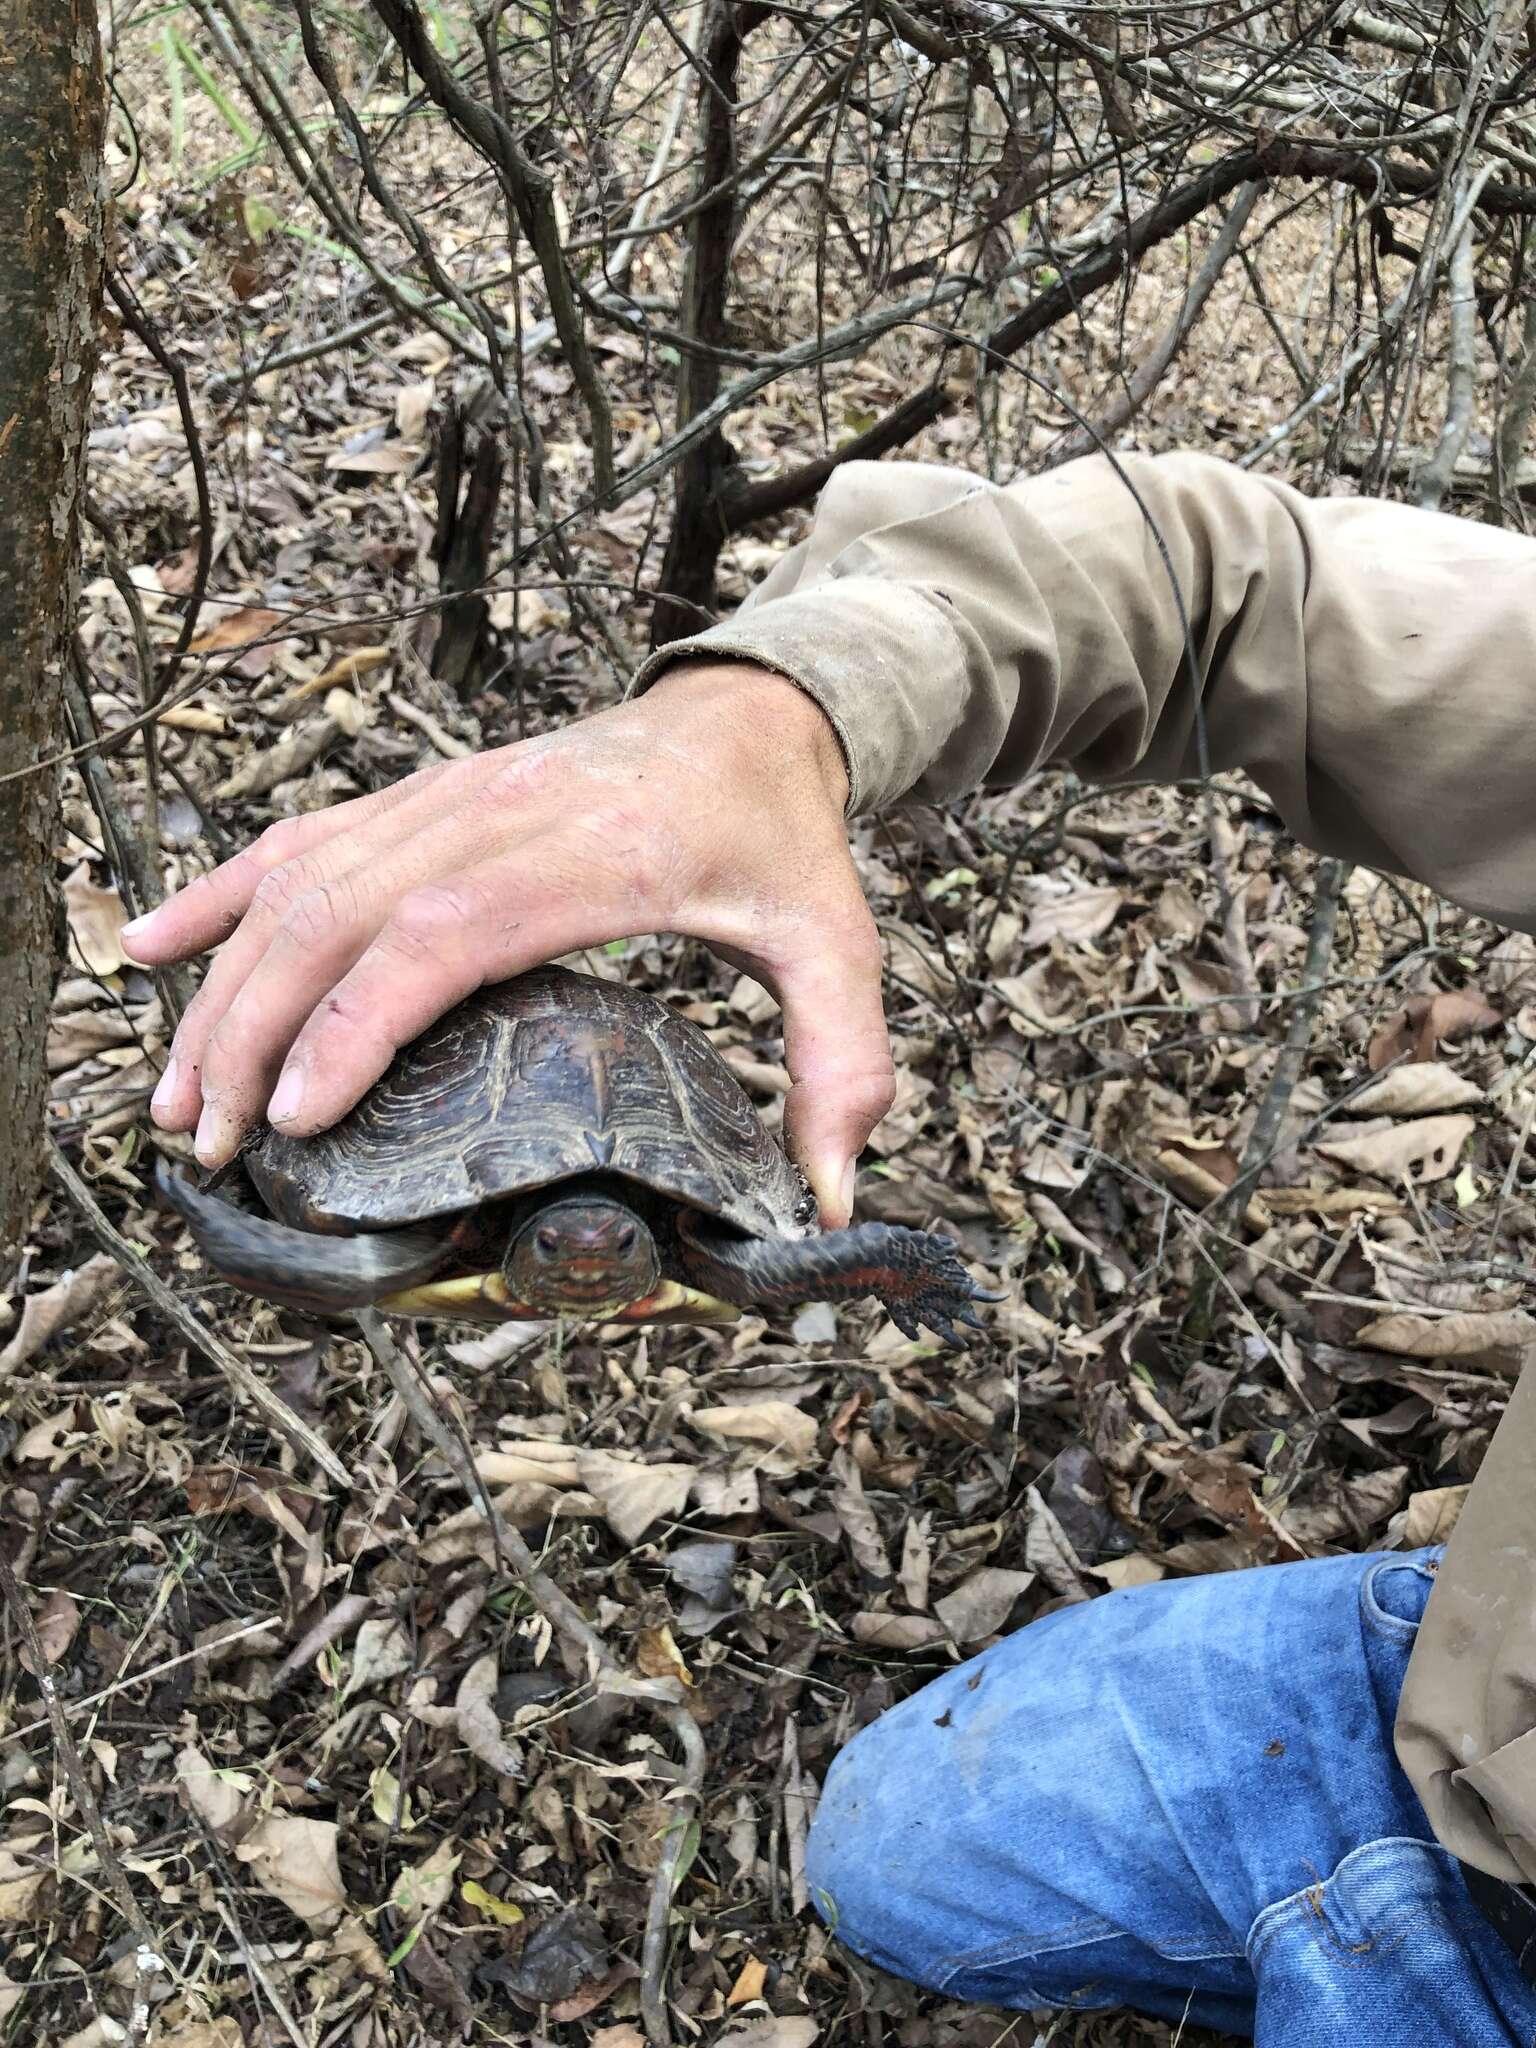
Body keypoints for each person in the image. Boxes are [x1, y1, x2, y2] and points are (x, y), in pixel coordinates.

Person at [123, 450, 1536, 2042]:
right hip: (1489, 1663)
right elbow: (1229, 580)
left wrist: (899, 1271)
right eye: (576, 1249)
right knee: (897, 1850)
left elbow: (765, 1258)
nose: (596, 1259)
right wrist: (766, 711)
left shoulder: (698, 1251)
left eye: (612, 1248)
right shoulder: (506, 1237)